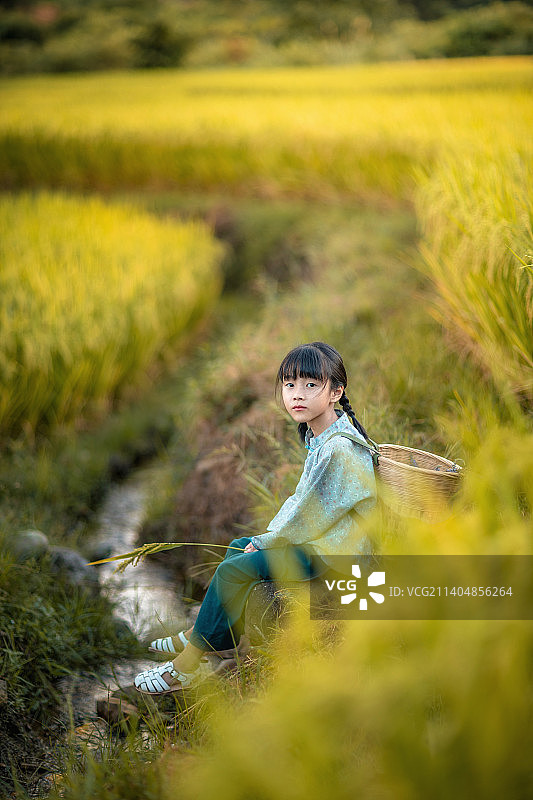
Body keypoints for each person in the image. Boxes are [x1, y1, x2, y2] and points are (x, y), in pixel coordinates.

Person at [134, 341, 377, 695]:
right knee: (237, 547)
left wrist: (265, 541)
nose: (297, 394)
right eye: (290, 384)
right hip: (324, 542)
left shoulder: (339, 447)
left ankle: (186, 667)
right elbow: (304, 501)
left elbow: (312, 514)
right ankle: (210, 637)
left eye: (311, 385)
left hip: (338, 555)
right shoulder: (322, 435)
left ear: (336, 392)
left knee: (234, 567)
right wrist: (260, 542)